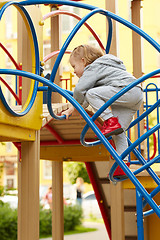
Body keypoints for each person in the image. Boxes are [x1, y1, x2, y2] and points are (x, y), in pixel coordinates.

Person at [61, 45, 143, 178]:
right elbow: (87, 96)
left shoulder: (92, 68)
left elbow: (80, 90)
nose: (74, 72)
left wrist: (74, 103)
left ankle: (110, 121)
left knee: (93, 95)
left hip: (125, 90)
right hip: (135, 95)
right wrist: (71, 109)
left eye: (74, 67)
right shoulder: (105, 68)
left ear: (83, 61)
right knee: (119, 132)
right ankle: (123, 165)